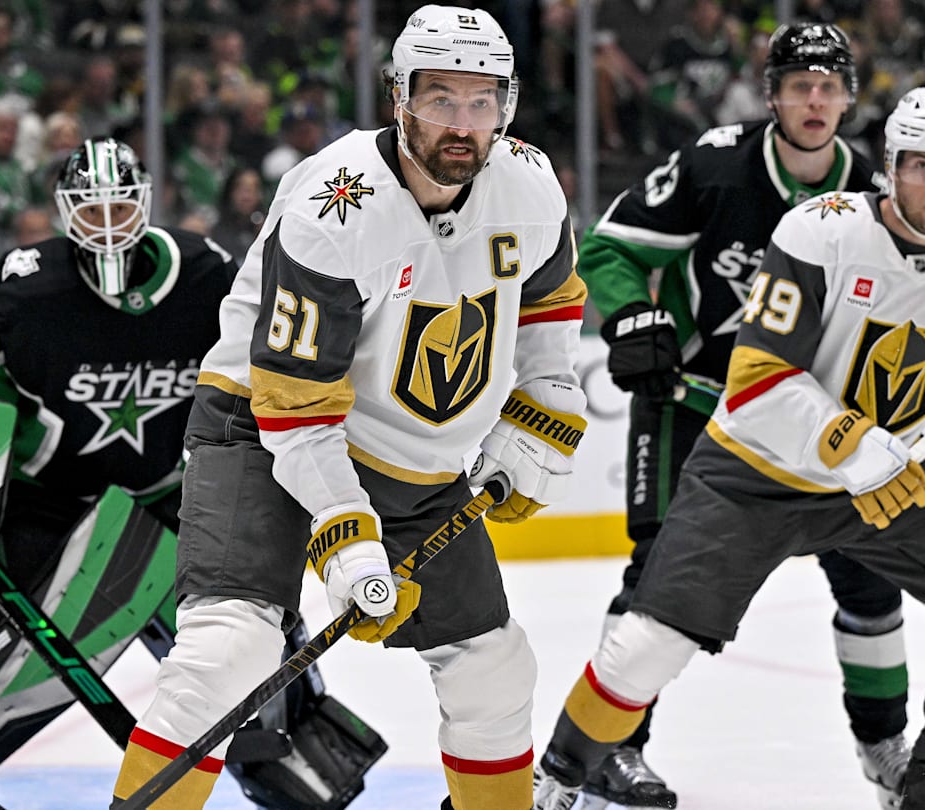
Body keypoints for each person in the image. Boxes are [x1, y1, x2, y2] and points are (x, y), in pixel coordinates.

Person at [532, 87, 925, 810]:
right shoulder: (821, 233)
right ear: (890, 167)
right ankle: (555, 777)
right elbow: (757, 380)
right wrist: (860, 445)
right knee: (649, 646)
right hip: (755, 474)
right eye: (921, 164)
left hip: (878, 481)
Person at [110, 6, 585, 809]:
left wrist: (544, 399)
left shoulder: (530, 186)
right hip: (261, 426)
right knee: (227, 657)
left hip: (409, 450)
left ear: (507, 102)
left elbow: (549, 304)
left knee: (494, 669)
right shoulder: (336, 207)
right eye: (440, 99)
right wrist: (347, 538)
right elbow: (296, 404)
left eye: (482, 101)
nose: (462, 125)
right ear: (397, 96)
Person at [0, 137, 383, 810]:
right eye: (92, 211)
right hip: (46, 507)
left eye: (122, 207)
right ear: (64, 215)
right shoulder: (32, 287)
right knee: (0, 671)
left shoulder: (206, 274)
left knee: (249, 646)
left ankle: (283, 743)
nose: (110, 226)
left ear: (147, 204)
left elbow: (263, 359)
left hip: (171, 498)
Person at [575, 22, 910, 809]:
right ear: (773, 96)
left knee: (871, 584)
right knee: (658, 585)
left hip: (810, 423)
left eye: (829, 86)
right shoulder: (715, 164)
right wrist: (630, 319)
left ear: (849, 99)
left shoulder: (869, 191)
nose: (816, 100)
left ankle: (887, 750)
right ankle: (607, 753)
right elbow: (610, 247)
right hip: (696, 410)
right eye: (800, 85)